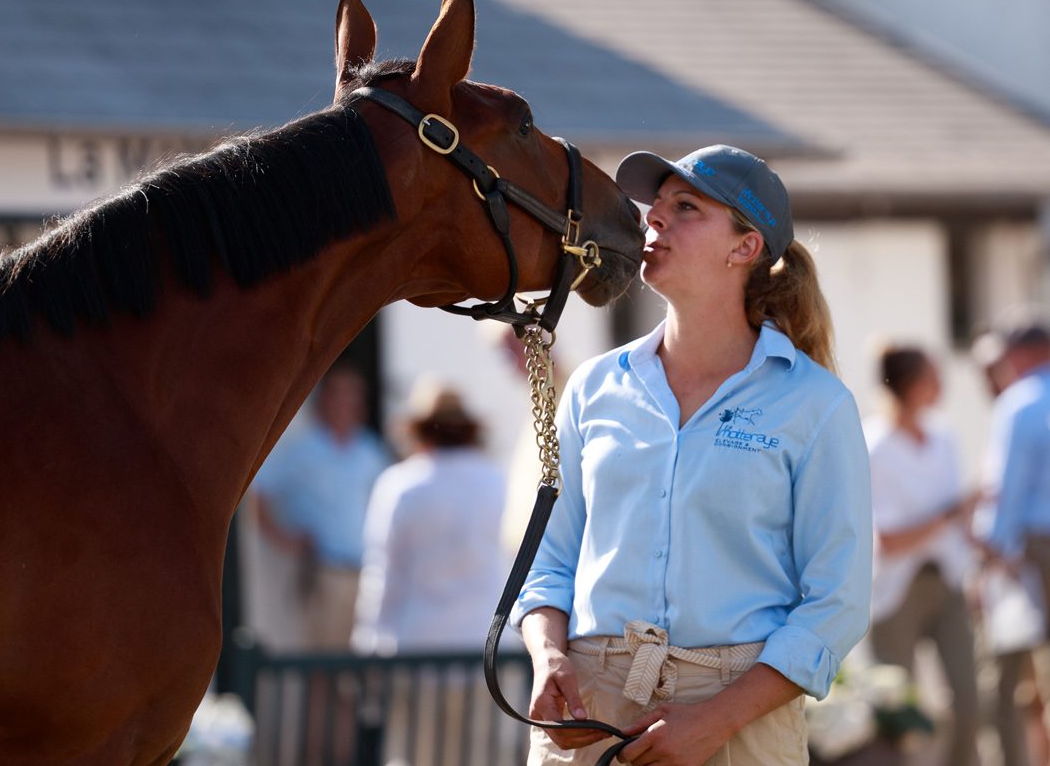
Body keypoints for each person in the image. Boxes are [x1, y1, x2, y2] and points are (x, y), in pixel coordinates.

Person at [513, 144, 872, 766]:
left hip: (740, 715)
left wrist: (715, 721)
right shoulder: (594, 388)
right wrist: (549, 655)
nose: (653, 219)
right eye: (656, 207)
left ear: (745, 247)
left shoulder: (816, 405)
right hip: (588, 706)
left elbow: (835, 606)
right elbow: (549, 563)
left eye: (685, 208)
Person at [865, 345, 980, 766]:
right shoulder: (875, 445)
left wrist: (977, 565)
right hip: (896, 591)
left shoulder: (944, 436)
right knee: (897, 709)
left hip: (947, 581)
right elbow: (890, 539)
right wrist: (950, 513)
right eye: (933, 376)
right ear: (911, 384)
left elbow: (957, 522)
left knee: (969, 698)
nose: (941, 386)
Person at [352, 379, 508, 654]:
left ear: (418, 431)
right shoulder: (497, 481)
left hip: (418, 647)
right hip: (487, 646)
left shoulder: (399, 484)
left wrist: (368, 640)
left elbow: (383, 571)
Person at [252, 362, 390, 650]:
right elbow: (259, 490)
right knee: (323, 661)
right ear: (323, 400)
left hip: (366, 574)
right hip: (324, 570)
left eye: (351, 394)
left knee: (362, 659)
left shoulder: (369, 450)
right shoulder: (302, 449)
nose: (345, 402)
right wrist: (283, 538)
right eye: (337, 393)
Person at [984, 324, 1050, 766]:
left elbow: (1005, 487)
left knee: (1039, 669)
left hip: (1037, 544)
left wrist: (995, 551)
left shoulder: (1020, 401)